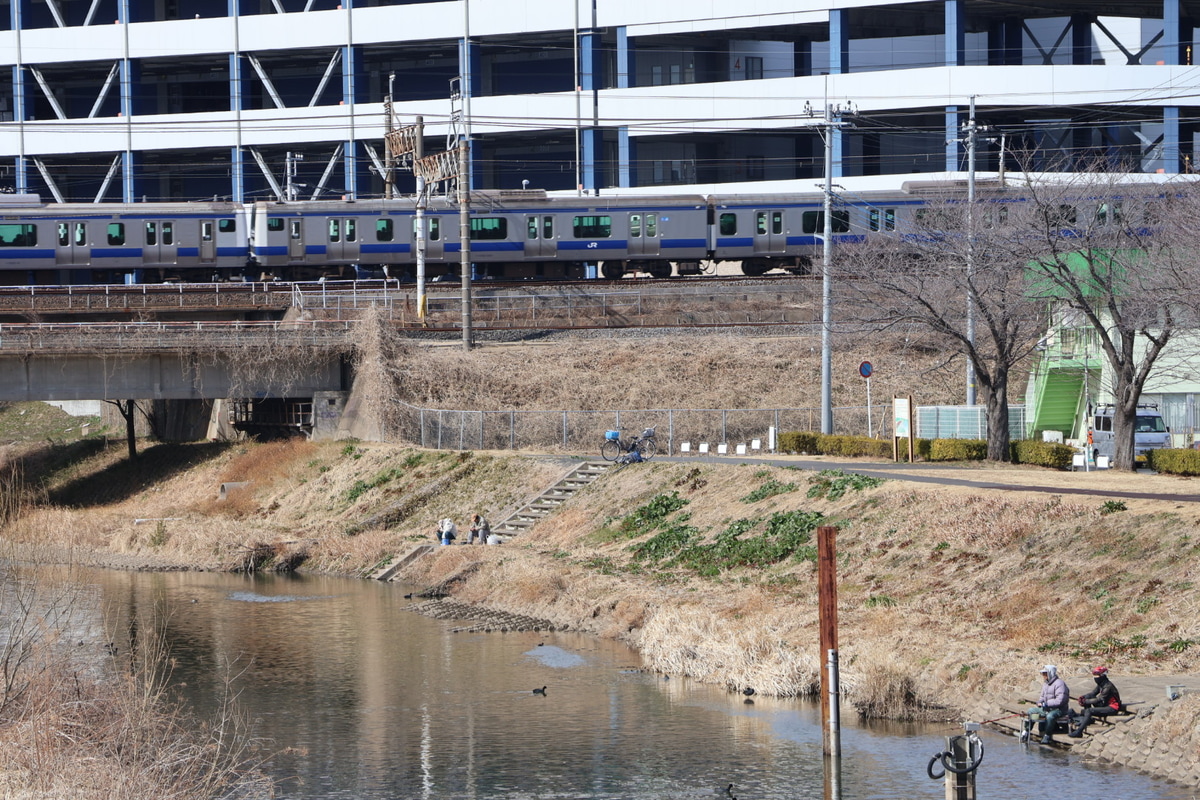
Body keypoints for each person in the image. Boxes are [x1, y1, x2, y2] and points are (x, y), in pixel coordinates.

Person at [1069, 666, 1122, 737]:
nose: (1095, 678)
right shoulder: (1101, 684)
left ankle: (1079, 731)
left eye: (1097, 676)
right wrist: (1083, 697)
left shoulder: (1108, 686)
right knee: (1087, 699)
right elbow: (1093, 693)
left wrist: (1086, 702)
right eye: (1094, 676)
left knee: (1089, 711)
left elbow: (1099, 699)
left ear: (1102, 675)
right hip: (1104, 704)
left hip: (1112, 708)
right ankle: (1087, 719)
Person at [1030, 664, 1070, 744]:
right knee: (1031, 711)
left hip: (1059, 710)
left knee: (1050, 716)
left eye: (1045, 673)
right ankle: (1026, 731)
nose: (1043, 676)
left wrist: (1046, 704)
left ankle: (1047, 735)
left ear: (1050, 673)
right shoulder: (1045, 684)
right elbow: (1042, 697)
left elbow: (1060, 700)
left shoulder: (1060, 684)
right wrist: (1039, 702)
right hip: (1046, 708)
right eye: (1043, 674)